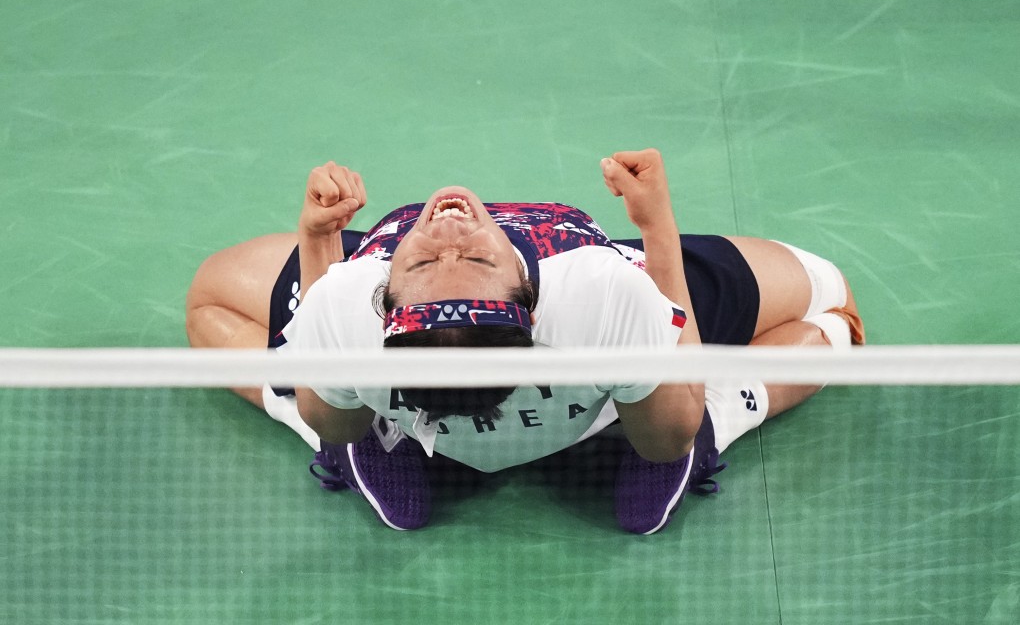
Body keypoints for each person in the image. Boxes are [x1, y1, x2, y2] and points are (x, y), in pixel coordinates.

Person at [185, 149, 864, 534]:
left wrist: (319, 242)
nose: (448, 235)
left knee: (212, 309)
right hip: (616, 364)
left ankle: (373, 447)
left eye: (429, 260)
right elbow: (665, 431)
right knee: (832, 311)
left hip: (551, 360)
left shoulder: (353, 299)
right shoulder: (603, 292)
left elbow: (326, 408)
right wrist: (657, 228)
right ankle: (720, 416)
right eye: (448, 260)